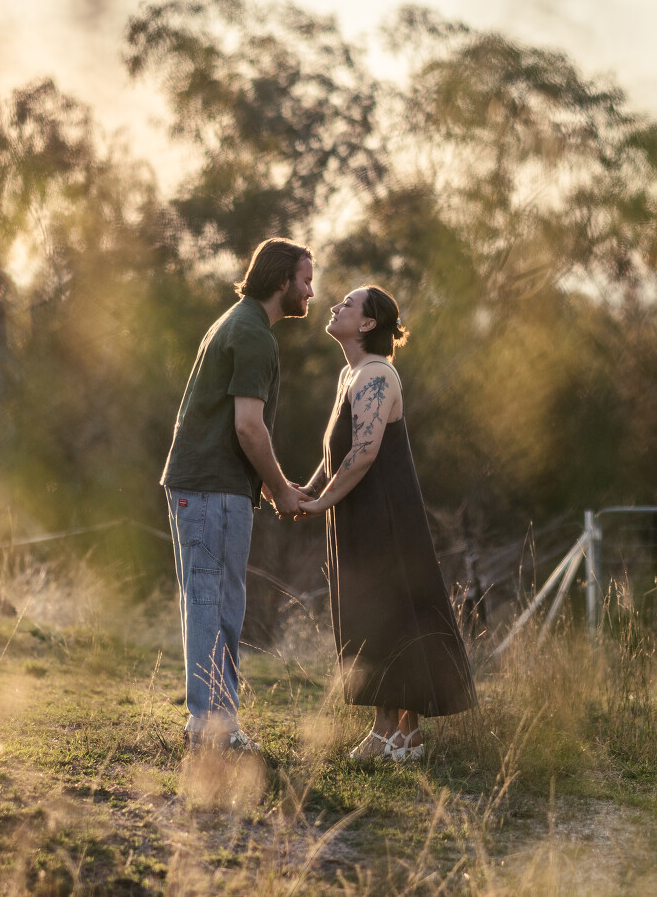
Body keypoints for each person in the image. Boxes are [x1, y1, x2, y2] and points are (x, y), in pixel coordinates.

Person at [294, 286, 477, 762]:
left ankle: (386, 734)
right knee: (379, 617)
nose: (334, 307)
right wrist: (307, 492)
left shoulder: (378, 374)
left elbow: (363, 452)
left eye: (347, 304)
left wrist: (321, 503)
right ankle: (406, 737)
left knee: (386, 618)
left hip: (386, 520)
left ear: (368, 324)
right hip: (359, 515)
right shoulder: (351, 374)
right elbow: (335, 452)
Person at [161, 238, 314, 751]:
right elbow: (249, 426)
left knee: (213, 602)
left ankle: (212, 724)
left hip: (205, 485)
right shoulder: (253, 334)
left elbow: (235, 426)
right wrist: (281, 490)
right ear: (281, 280)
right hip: (213, 489)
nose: (310, 292)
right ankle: (213, 729)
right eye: (305, 280)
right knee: (214, 603)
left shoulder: (236, 322)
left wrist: (267, 484)